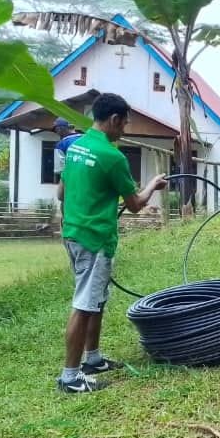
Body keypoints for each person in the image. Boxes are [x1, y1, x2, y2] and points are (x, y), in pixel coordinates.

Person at [56, 93, 166, 393]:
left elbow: (61, 193)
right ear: (114, 119)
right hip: (95, 237)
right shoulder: (112, 156)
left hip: (73, 232)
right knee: (84, 303)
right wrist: (153, 185)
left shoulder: (75, 147)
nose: (125, 129)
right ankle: (69, 377)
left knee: (96, 299)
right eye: (124, 123)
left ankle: (92, 359)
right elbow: (134, 204)